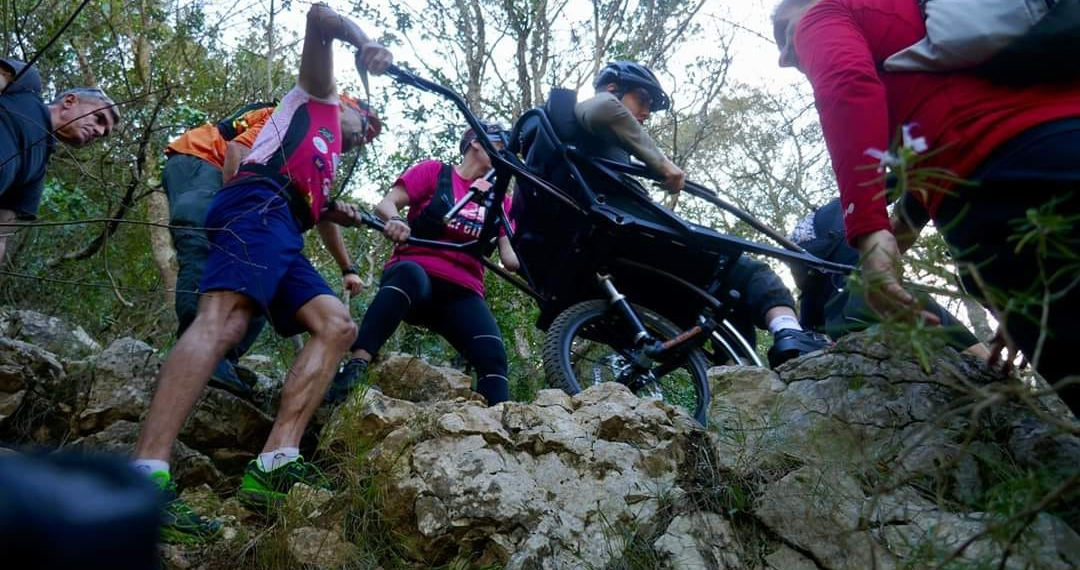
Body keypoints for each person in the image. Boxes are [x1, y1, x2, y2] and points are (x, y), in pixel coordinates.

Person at [130, 2, 392, 544]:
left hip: (284, 223)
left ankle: (275, 462)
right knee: (224, 319)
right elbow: (320, 16)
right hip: (256, 204)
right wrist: (363, 42)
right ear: (346, 102)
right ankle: (144, 477)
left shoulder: (326, 160)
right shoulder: (316, 98)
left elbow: (318, 214)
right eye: (366, 122)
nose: (367, 134)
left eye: (372, 133)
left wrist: (354, 247)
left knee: (337, 326)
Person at [772, 0, 1080, 414]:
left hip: (1003, 183)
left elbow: (847, 87)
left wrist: (870, 237)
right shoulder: (930, 19)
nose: (782, 58)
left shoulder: (826, 11)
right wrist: (1017, 304)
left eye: (781, 32)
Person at [574, 61, 829, 367]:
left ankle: (739, 378)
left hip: (625, 254)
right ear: (614, 88)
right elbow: (603, 106)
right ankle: (791, 335)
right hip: (634, 243)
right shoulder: (589, 112)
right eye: (642, 100)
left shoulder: (577, 145)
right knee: (750, 271)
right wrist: (663, 164)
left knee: (731, 301)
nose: (646, 113)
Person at [326, 122, 520, 405]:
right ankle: (356, 366)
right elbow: (387, 204)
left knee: (492, 353)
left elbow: (510, 259)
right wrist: (395, 220)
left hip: (462, 291)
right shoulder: (435, 172)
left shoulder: (502, 201)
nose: (507, 153)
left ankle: (500, 421)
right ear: (476, 142)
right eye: (501, 144)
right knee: (410, 274)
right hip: (416, 276)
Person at [162, 102, 275, 396]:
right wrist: (234, 205)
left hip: (203, 163)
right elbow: (240, 147)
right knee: (202, 242)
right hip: (203, 157)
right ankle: (196, 348)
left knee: (248, 266)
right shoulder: (290, 113)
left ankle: (222, 357)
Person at [792, 197, 991, 359]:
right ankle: (1004, 380)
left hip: (839, 325)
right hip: (875, 296)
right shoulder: (840, 207)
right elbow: (895, 182)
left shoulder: (803, 260)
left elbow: (807, 324)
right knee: (981, 360)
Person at [0, 58, 119, 264]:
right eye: (99, 118)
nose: (99, 131)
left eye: (104, 133)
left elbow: (1, 233)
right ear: (69, 101)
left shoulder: (36, 172)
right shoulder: (26, 86)